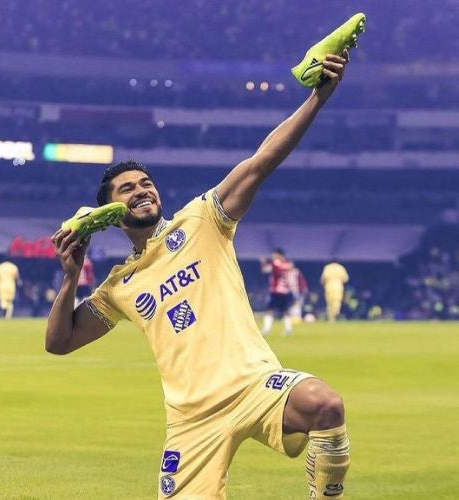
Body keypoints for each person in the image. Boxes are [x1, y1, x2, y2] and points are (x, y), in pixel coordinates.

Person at [47, 51, 351, 499]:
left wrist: (316, 100)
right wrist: (71, 277)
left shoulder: (203, 219)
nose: (141, 190)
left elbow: (261, 161)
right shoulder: (119, 286)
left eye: (146, 183)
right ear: (112, 211)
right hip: (192, 419)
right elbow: (59, 342)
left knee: (325, 404)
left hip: (253, 383)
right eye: (126, 188)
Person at [260, 249, 295, 336]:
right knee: (285, 311)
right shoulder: (289, 264)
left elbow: (265, 270)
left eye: (275, 255)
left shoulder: (276, 263)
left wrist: (263, 262)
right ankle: (289, 329)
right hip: (286, 291)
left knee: (269, 310)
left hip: (276, 291)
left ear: (279, 255)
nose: (273, 256)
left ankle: (266, 329)